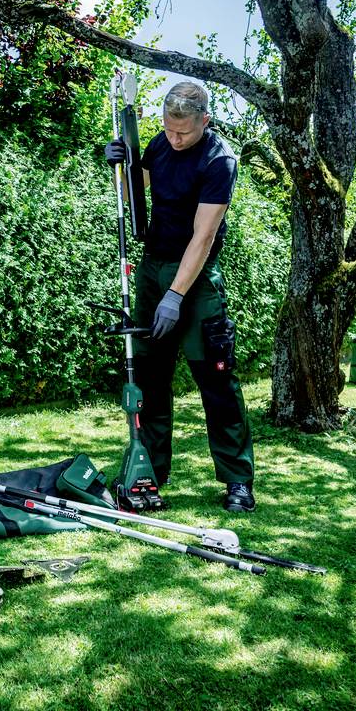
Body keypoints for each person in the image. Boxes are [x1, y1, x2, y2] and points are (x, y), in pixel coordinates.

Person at [104, 81, 256, 512]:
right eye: (169, 130)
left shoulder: (218, 161)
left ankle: (237, 481)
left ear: (204, 121)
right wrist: (124, 163)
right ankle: (148, 472)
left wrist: (175, 296)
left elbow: (204, 236)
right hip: (153, 268)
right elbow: (139, 187)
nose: (175, 138)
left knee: (216, 380)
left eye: (183, 132)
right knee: (150, 380)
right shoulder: (160, 143)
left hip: (197, 277)